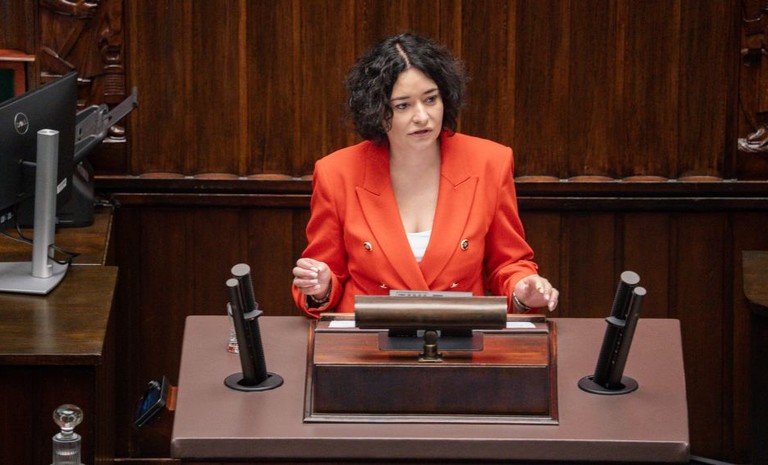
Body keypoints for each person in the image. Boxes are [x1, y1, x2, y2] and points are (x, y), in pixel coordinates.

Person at [292, 32, 559, 317]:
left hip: (457, 333)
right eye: (403, 105)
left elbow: (508, 263)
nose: (422, 117)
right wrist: (320, 286)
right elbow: (325, 272)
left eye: (431, 99)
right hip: (367, 335)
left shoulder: (490, 162)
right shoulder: (336, 172)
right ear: (377, 110)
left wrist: (522, 288)